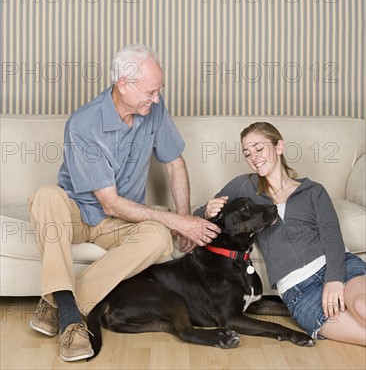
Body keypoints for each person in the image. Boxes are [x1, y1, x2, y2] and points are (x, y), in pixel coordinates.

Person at [28, 44, 220, 362]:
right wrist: (178, 221)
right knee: (46, 196)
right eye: (151, 91)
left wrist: (183, 217)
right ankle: (72, 321)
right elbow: (110, 203)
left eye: (159, 91)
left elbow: (175, 163)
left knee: (159, 237)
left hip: (119, 223)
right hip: (76, 215)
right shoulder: (84, 123)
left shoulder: (153, 110)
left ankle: (60, 303)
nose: (156, 99)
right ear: (124, 85)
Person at [194, 121, 366, 346]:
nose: (253, 157)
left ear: (279, 147)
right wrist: (206, 210)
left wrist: (334, 279)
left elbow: (332, 237)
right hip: (300, 292)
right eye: (247, 153)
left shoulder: (313, 191)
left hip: (341, 269)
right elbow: (199, 215)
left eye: (259, 148)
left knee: (361, 306)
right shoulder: (243, 186)